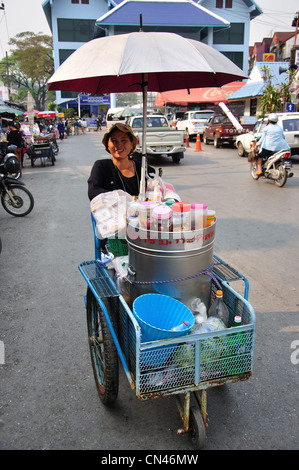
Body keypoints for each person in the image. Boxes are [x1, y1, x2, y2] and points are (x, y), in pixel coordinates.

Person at [88, 122, 155, 201]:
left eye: (123, 140)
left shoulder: (145, 170)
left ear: (131, 145)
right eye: (114, 141)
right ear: (108, 146)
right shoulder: (101, 167)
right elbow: (93, 192)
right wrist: (122, 198)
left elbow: (156, 194)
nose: (119, 145)